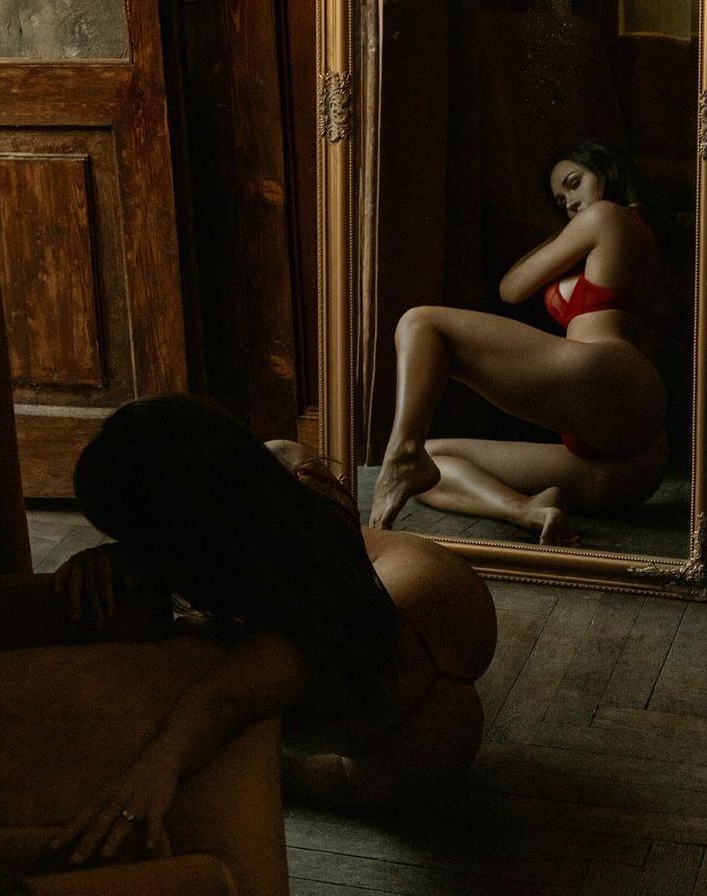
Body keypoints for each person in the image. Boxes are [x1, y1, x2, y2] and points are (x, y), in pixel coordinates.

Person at [44, 394, 494, 866]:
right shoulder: (291, 479)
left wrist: (151, 771)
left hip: (409, 753)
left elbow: (218, 701)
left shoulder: (299, 628)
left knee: (213, 716)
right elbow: (274, 460)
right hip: (429, 603)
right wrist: (121, 556)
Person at [370, 138, 669, 543]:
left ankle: (400, 452)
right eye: (561, 201)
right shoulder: (627, 237)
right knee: (432, 459)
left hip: (609, 378)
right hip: (630, 465)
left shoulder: (608, 216)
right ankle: (525, 510)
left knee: (420, 323)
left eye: (574, 183)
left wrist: (565, 231)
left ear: (608, 172)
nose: (571, 203)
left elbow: (512, 288)